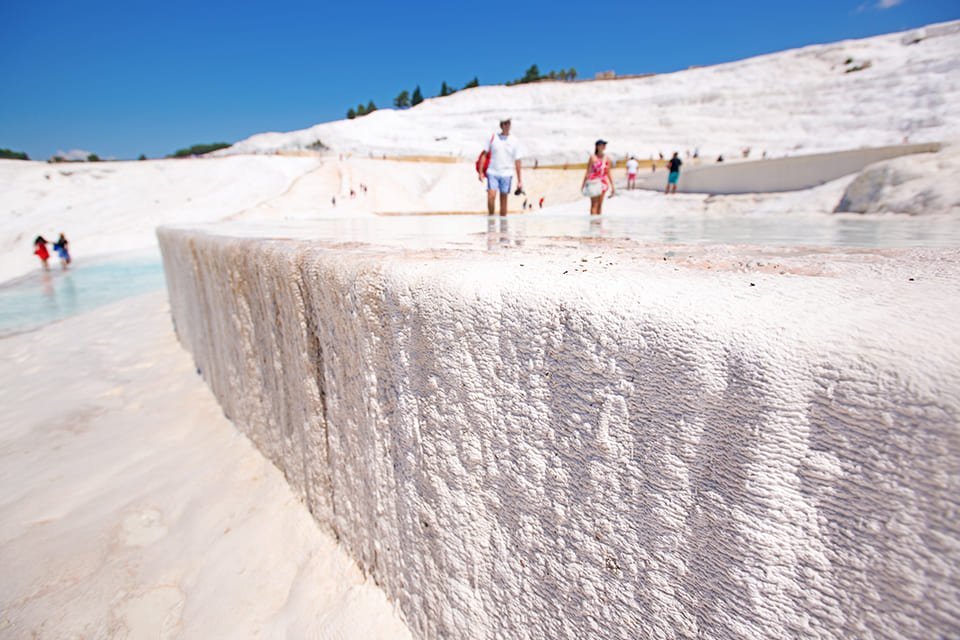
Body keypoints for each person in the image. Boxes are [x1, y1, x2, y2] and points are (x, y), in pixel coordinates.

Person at [477, 118, 523, 216]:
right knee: (491, 196)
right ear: (501, 125)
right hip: (493, 172)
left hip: (507, 173)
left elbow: (517, 161)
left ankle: (503, 228)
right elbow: (484, 155)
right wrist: (480, 172)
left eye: (508, 123)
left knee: (503, 201)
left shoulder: (515, 141)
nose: (507, 125)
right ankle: (491, 218)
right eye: (505, 123)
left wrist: (519, 181)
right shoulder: (493, 137)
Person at [581, 139, 615, 216]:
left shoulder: (607, 158)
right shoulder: (592, 158)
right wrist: (583, 184)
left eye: (604, 145)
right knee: (594, 205)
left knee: (600, 205)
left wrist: (612, 186)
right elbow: (588, 171)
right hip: (593, 182)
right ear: (597, 146)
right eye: (602, 145)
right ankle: (593, 225)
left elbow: (608, 173)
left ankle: (598, 225)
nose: (604, 146)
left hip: (603, 183)